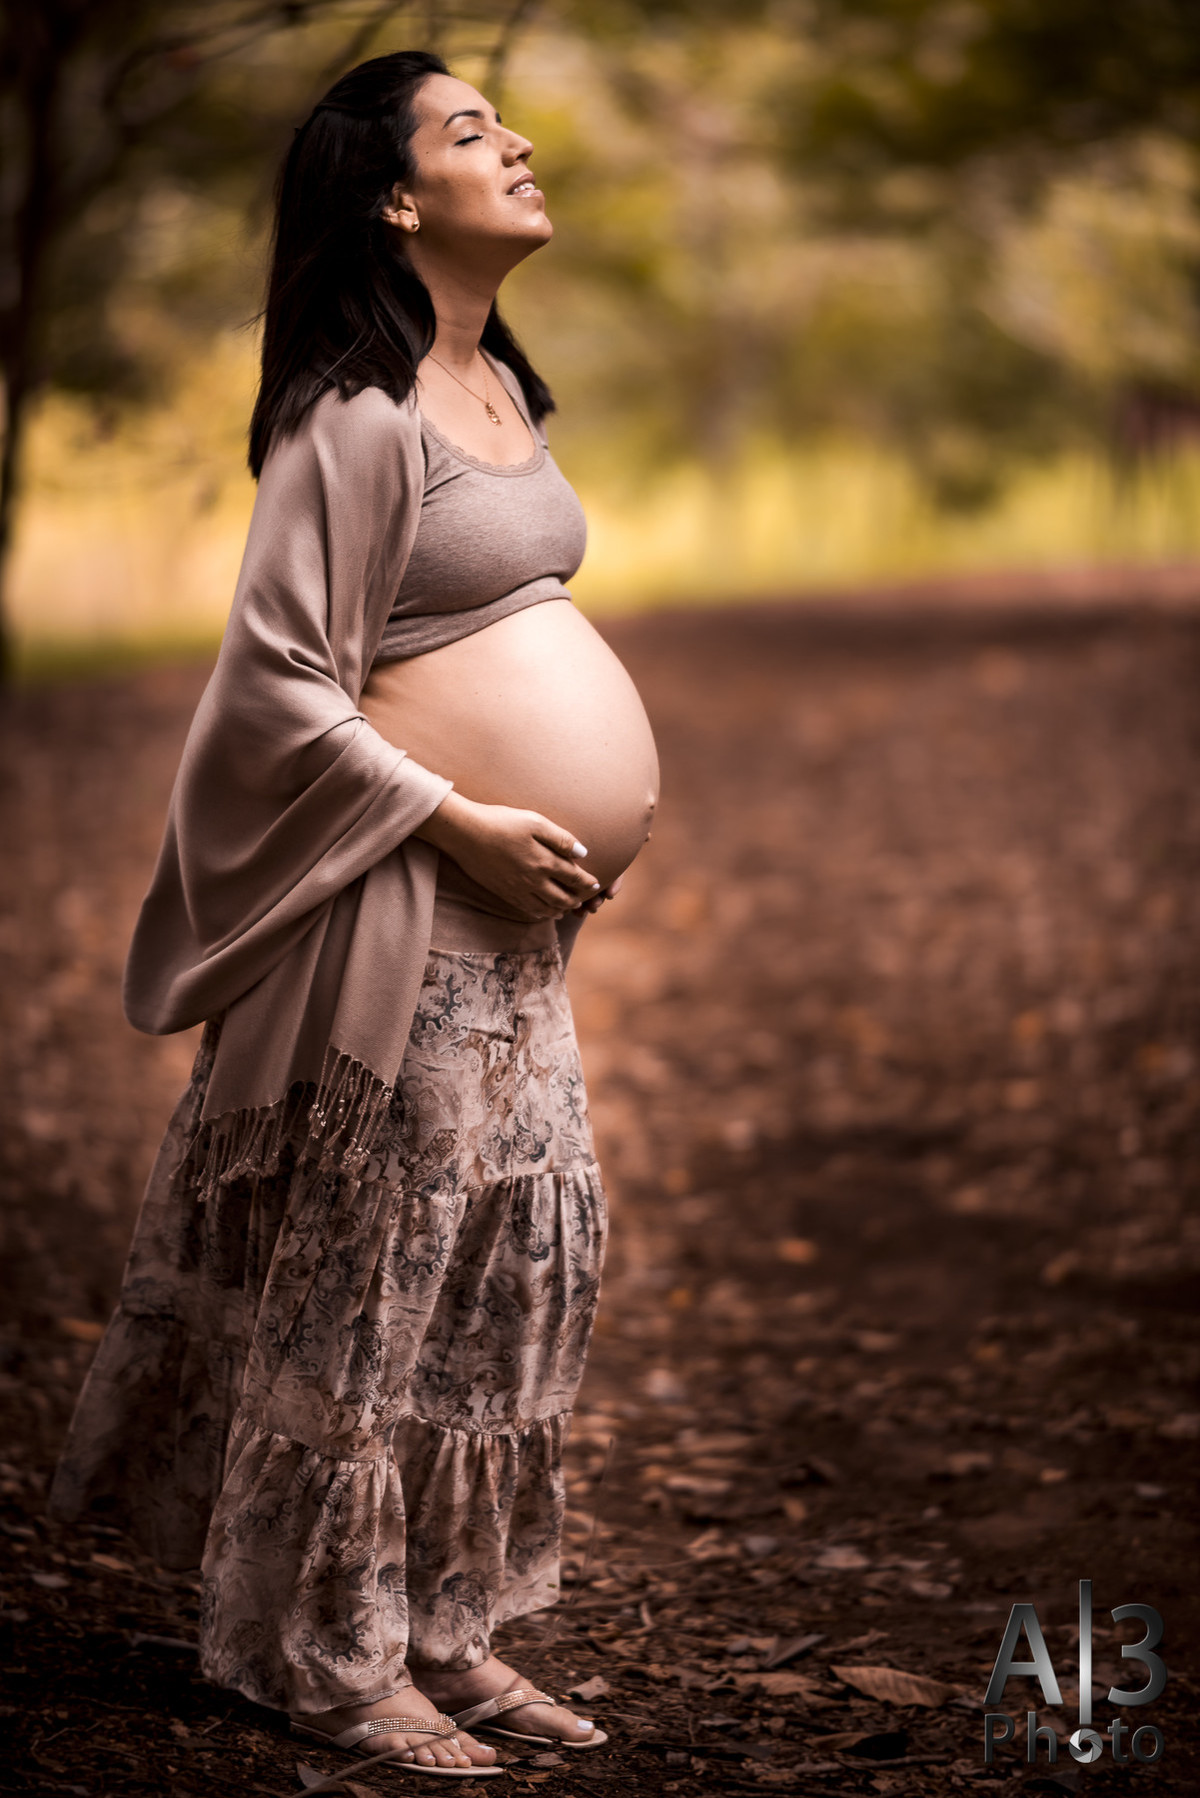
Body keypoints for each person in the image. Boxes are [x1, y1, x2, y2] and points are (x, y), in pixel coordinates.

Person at [49, 48, 660, 1779]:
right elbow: (272, 692)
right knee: (371, 1295)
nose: (520, 140)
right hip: (400, 927)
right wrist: (459, 814)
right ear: (396, 198)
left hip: (512, 939)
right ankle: (317, 1651)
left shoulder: (496, 390)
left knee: (488, 1283)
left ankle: (446, 1631)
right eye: (473, 132)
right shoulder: (353, 414)